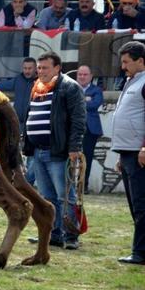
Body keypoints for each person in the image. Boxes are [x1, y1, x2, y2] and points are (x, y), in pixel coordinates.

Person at [24, 51, 85, 250]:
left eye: (45, 68)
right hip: (38, 151)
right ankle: (54, 234)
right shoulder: (37, 88)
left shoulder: (69, 87)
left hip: (58, 151)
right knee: (46, 197)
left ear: (57, 68)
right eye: (39, 68)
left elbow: (78, 119)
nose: (40, 71)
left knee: (65, 195)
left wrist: (74, 147)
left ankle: (71, 235)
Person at [111, 41, 145, 265]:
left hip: (139, 152)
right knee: (135, 204)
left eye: (126, 62)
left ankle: (140, 252)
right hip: (128, 151)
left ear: (141, 61)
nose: (123, 66)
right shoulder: (132, 81)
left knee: (141, 204)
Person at [0, 58, 38, 184]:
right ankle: (16, 179)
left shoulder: (39, 82)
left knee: (31, 154)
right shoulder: (18, 80)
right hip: (17, 124)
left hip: (32, 124)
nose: (27, 71)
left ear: (35, 68)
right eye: (25, 68)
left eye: (30, 68)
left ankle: (28, 182)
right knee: (14, 151)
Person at [75, 65, 103, 194]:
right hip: (73, 128)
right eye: (80, 74)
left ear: (91, 76)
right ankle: (70, 185)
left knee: (87, 158)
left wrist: (79, 101)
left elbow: (95, 104)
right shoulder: (72, 88)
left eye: (85, 74)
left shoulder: (96, 90)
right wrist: (85, 99)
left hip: (90, 130)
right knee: (70, 158)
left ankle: (82, 186)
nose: (82, 77)